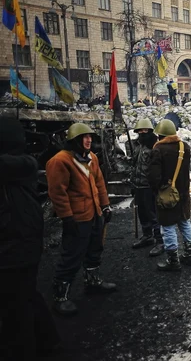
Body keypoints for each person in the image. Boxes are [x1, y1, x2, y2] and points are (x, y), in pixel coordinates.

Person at [0, 118, 61, 360]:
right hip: (20, 246)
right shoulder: (20, 167)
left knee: (16, 309)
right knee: (26, 296)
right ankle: (48, 340)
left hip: (13, 249)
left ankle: (27, 350)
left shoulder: (14, 167)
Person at [46, 123, 116, 316]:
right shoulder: (60, 161)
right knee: (72, 254)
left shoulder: (92, 158)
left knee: (95, 249)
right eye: (84, 137)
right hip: (77, 217)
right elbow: (57, 193)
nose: (89, 140)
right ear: (74, 140)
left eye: (90, 137)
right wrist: (67, 218)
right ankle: (60, 297)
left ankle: (93, 282)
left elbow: (100, 184)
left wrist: (105, 205)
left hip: (94, 214)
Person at [148, 119, 191, 271]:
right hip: (184, 194)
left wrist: (158, 190)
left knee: (168, 227)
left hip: (167, 195)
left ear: (160, 135)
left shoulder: (158, 150)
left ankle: (173, 260)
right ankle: (189, 255)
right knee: (184, 222)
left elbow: (154, 177)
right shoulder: (184, 147)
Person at [131, 119, 164, 257]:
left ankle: (160, 241)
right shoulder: (138, 146)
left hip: (149, 186)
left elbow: (158, 168)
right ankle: (147, 235)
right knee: (142, 213)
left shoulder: (154, 146)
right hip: (138, 185)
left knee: (153, 214)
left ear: (150, 131)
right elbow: (135, 165)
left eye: (144, 130)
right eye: (140, 130)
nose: (142, 132)